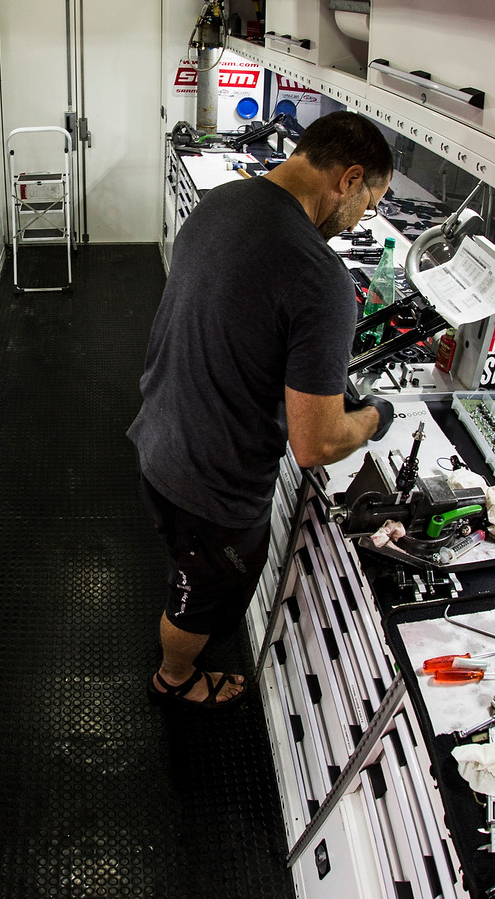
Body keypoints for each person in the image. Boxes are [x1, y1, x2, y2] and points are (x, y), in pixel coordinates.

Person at [130, 111, 397, 708]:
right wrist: (375, 416)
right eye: (369, 203)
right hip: (212, 482)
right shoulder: (320, 277)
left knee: (184, 561)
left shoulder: (221, 203)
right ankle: (174, 680)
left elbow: (231, 321)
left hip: (158, 435)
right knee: (197, 593)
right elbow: (317, 444)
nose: (363, 220)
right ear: (349, 179)